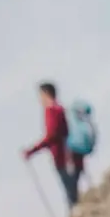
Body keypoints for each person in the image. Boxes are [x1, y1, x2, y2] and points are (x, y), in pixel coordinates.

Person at [23, 82, 81, 210]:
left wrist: (31, 151)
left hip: (62, 156)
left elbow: (51, 136)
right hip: (72, 154)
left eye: (41, 96)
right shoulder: (61, 109)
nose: (40, 100)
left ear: (46, 94)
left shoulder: (51, 110)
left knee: (71, 193)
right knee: (72, 191)